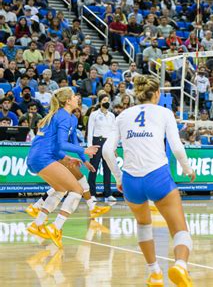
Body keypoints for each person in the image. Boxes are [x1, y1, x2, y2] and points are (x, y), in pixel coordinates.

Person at [103, 75, 195, 287]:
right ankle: (180, 266)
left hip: (131, 180)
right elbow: (177, 147)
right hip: (157, 176)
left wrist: (119, 177)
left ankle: (154, 273)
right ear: (157, 94)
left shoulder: (123, 115)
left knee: (144, 224)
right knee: (180, 229)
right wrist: (187, 168)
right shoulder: (164, 112)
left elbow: (108, 151)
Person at [25, 87, 98, 248]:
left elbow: (56, 148)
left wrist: (67, 158)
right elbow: (62, 144)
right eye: (73, 96)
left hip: (37, 157)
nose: (77, 98)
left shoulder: (59, 116)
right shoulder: (63, 116)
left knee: (60, 189)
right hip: (44, 158)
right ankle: (55, 227)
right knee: (77, 190)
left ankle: (37, 224)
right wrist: (83, 150)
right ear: (67, 101)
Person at [25, 112, 111, 220]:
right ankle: (39, 208)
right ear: (67, 102)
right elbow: (60, 142)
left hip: (55, 152)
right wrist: (82, 152)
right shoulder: (59, 116)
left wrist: (84, 160)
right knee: (68, 185)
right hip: (51, 153)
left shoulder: (73, 119)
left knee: (74, 180)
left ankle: (92, 207)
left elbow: (74, 142)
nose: (77, 113)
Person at [87, 94, 116, 202]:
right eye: (104, 100)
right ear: (100, 102)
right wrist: (90, 146)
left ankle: (108, 194)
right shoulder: (94, 114)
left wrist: (113, 147)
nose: (106, 102)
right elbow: (90, 130)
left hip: (108, 142)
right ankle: (92, 193)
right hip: (97, 141)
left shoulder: (112, 115)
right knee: (93, 167)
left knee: (107, 168)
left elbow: (114, 131)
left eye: (108, 100)